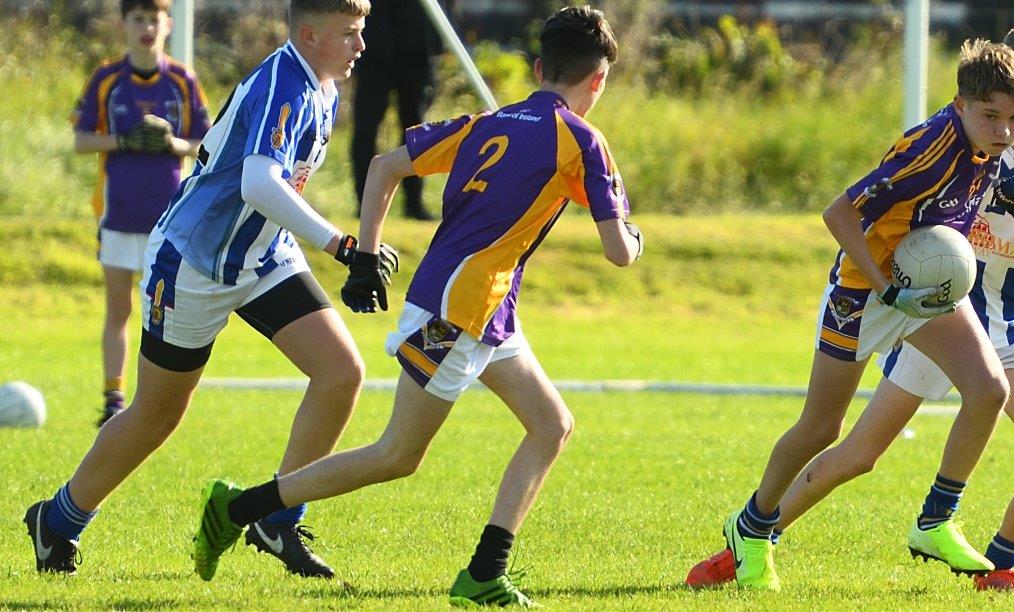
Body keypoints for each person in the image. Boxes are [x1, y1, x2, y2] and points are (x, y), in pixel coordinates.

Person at [192, 6, 641, 607]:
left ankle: (485, 572)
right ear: (599, 80)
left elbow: (384, 167)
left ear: (538, 67)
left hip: (486, 308)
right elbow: (618, 253)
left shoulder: (488, 121)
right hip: (459, 311)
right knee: (397, 454)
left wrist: (369, 252)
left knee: (551, 425)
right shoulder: (584, 141)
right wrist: (634, 236)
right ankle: (241, 506)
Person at [24, 0, 396, 580]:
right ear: (310, 33)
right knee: (155, 415)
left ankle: (277, 518)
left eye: (362, 32)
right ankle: (57, 521)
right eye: (350, 33)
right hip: (193, 263)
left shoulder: (322, 85)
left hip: (261, 257)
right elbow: (257, 183)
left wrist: (347, 250)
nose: (360, 45)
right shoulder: (287, 83)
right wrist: (343, 247)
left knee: (341, 372)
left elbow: (275, 190)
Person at [686, 39, 1014, 591]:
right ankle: (751, 527)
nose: (1005, 131)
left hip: (927, 281)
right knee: (822, 428)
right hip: (865, 292)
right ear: (960, 104)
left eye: (1013, 118)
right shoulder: (927, 152)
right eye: (991, 118)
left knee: (989, 390)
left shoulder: (1005, 116)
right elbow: (837, 213)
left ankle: (935, 521)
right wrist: (887, 290)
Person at [875, 25, 1014, 595]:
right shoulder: (962, 136)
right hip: (942, 318)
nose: (1009, 120)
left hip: (1009, 323)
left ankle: (999, 568)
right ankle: (755, 531)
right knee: (857, 452)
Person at [71, 0, 211, 428]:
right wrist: (125, 140)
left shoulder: (183, 80)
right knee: (120, 310)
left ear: (168, 24)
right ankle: (114, 400)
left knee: (167, 313)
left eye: (155, 18)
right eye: (139, 19)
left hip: (171, 221)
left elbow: (205, 145)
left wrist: (173, 145)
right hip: (118, 214)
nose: (147, 26)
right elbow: (81, 141)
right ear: (124, 24)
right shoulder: (107, 78)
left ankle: (156, 403)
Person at [350, 0, 442, 220]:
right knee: (366, 127)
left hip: (417, 45)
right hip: (374, 44)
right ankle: (365, 205)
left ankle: (414, 204)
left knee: (416, 128)